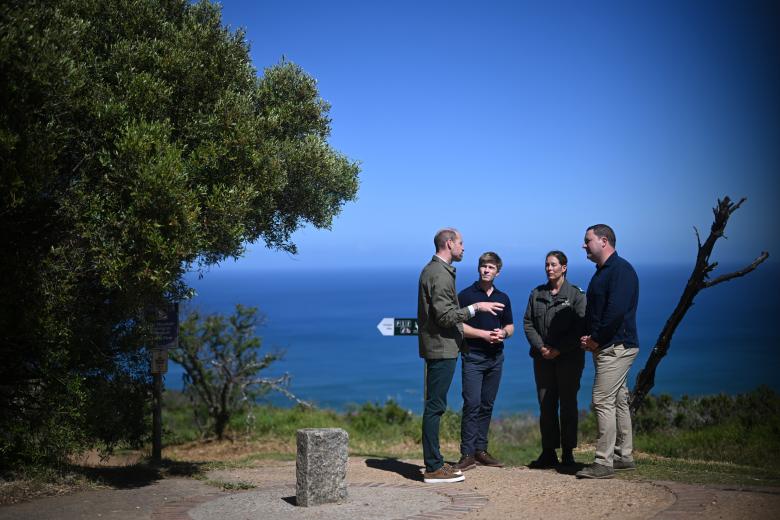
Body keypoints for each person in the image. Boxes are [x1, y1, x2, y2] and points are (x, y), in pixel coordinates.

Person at [418, 228, 504, 484]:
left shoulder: (437, 271)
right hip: (441, 347)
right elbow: (445, 317)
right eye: (461, 243)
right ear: (449, 244)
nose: (464, 248)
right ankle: (433, 467)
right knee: (435, 406)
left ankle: (434, 461)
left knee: (435, 405)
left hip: (442, 347)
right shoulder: (439, 274)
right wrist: (475, 308)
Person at [575, 224, 640, 479]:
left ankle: (603, 463)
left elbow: (616, 312)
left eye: (587, 240)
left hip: (616, 347)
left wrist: (596, 340)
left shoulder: (620, 270)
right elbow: (598, 312)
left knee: (602, 400)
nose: (584, 245)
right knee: (618, 399)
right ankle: (624, 456)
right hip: (609, 346)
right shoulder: (602, 272)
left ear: (603, 241)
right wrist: (589, 336)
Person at [523, 250, 586, 468]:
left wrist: (558, 349)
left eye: (553, 265)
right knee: (546, 405)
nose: (549, 268)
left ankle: (568, 453)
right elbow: (528, 323)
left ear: (564, 267)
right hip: (542, 359)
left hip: (569, 358)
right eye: (547, 265)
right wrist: (541, 348)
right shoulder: (537, 293)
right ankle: (548, 452)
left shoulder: (576, 295)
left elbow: (580, 327)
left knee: (568, 404)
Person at [454, 252, 514, 471]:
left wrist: (503, 334)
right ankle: (467, 453)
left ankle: (480, 450)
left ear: (498, 271)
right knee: (472, 404)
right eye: (483, 267)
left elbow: (510, 326)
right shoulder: (466, 295)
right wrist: (483, 334)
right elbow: (458, 326)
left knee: (487, 405)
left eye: (491, 267)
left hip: (496, 358)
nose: (486, 270)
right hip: (473, 357)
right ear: (478, 269)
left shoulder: (503, 297)